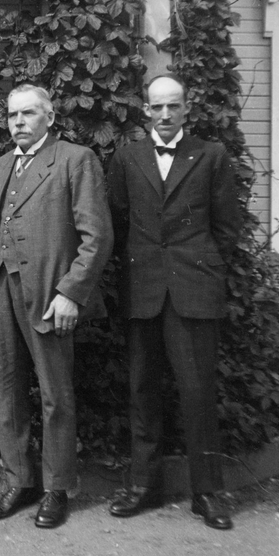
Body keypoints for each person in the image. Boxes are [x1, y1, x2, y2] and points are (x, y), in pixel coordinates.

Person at [105, 74, 239, 530]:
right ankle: (143, 484)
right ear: (146, 110)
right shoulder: (127, 157)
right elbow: (116, 221)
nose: (165, 115)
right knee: (142, 389)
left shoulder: (211, 155)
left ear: (186, 109)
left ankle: (207, 492)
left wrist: (204, 270)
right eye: (157, 107)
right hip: (143, 288)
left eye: (173, 106)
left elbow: (227, 228)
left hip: (193, 289)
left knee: (197, 391)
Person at [0, 83, 113, 527]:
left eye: (29, 114)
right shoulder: (2, 165)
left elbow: (97, 237)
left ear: (49, 117)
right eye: (12, 115)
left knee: (55, 393)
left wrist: (71, 292)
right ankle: (20, 480)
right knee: (4, 388)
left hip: (50, 294)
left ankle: (57, 488)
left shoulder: (75, 159)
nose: (18, 122)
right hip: (4, 286)